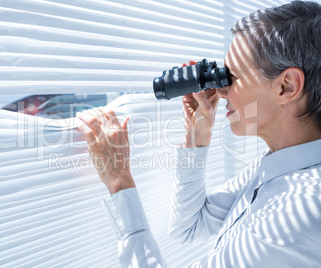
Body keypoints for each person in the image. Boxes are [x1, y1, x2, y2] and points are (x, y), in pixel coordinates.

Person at [76, 1, 321, 267]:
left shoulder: (293, 214)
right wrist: (197, 135)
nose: (222, 91)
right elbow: (188, 226)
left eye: (232, 77)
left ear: (287, 86)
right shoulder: (277, 167)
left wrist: (118, 182)